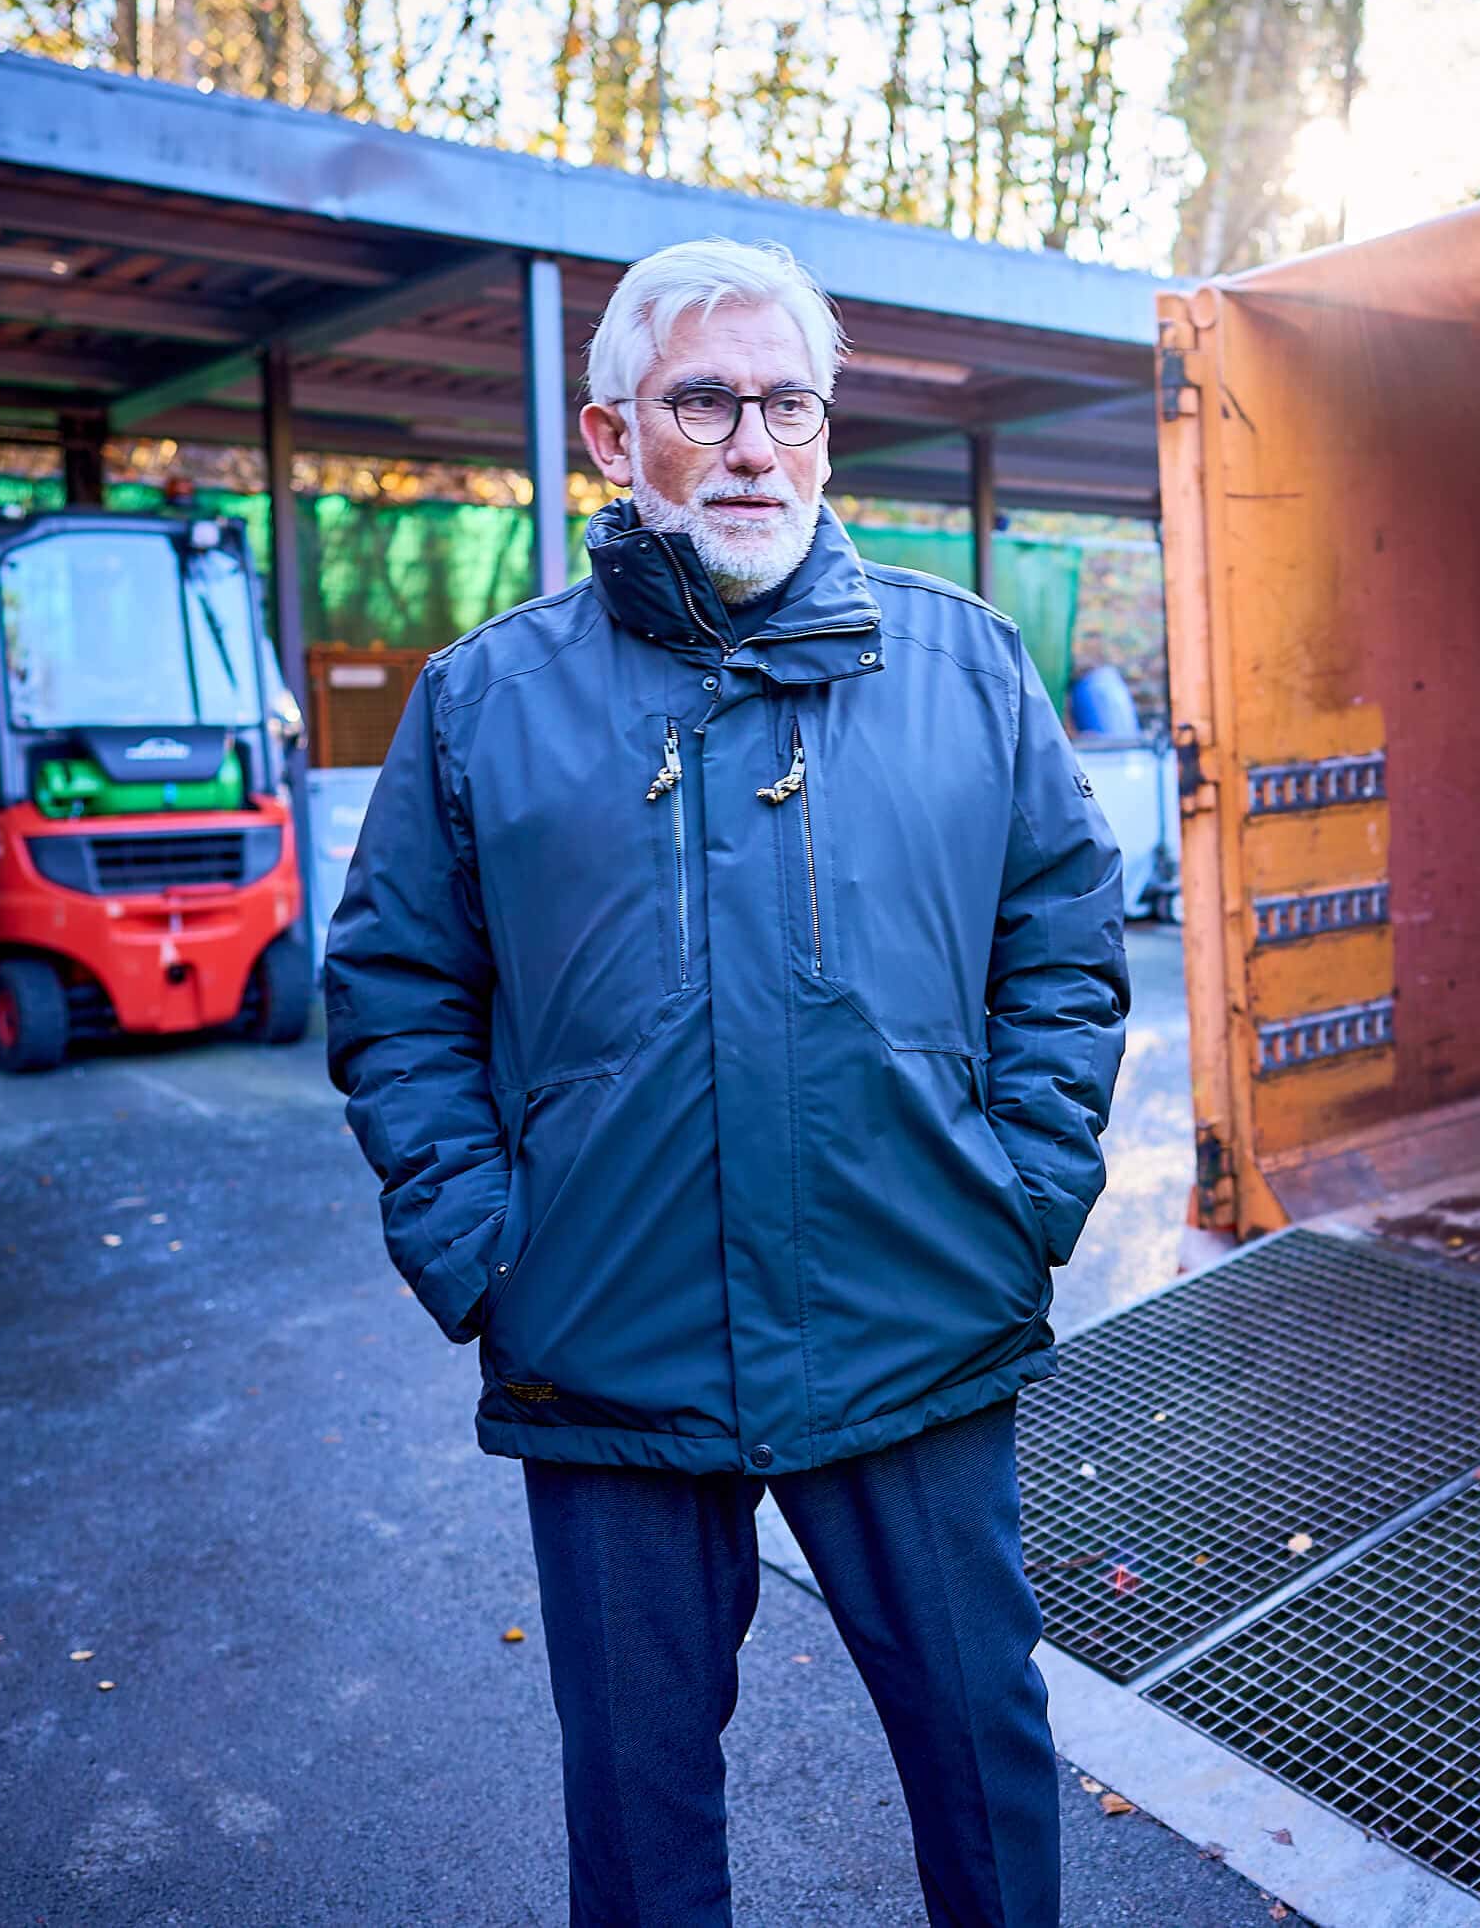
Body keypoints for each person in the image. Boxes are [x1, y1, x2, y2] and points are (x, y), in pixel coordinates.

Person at [324, 238, 1127, 1928]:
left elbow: (1061, 941)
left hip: (916, 1311)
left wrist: (1025, 1189)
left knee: (986, 1762)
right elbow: (396, 987)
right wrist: (486, 1245)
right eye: (707, 400)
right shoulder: (486, 700)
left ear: (829, 433)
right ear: (616, 437)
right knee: (638, 1813)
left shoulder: (966, 667)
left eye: (791, 403)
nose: (755, 440)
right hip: (608, 1341)